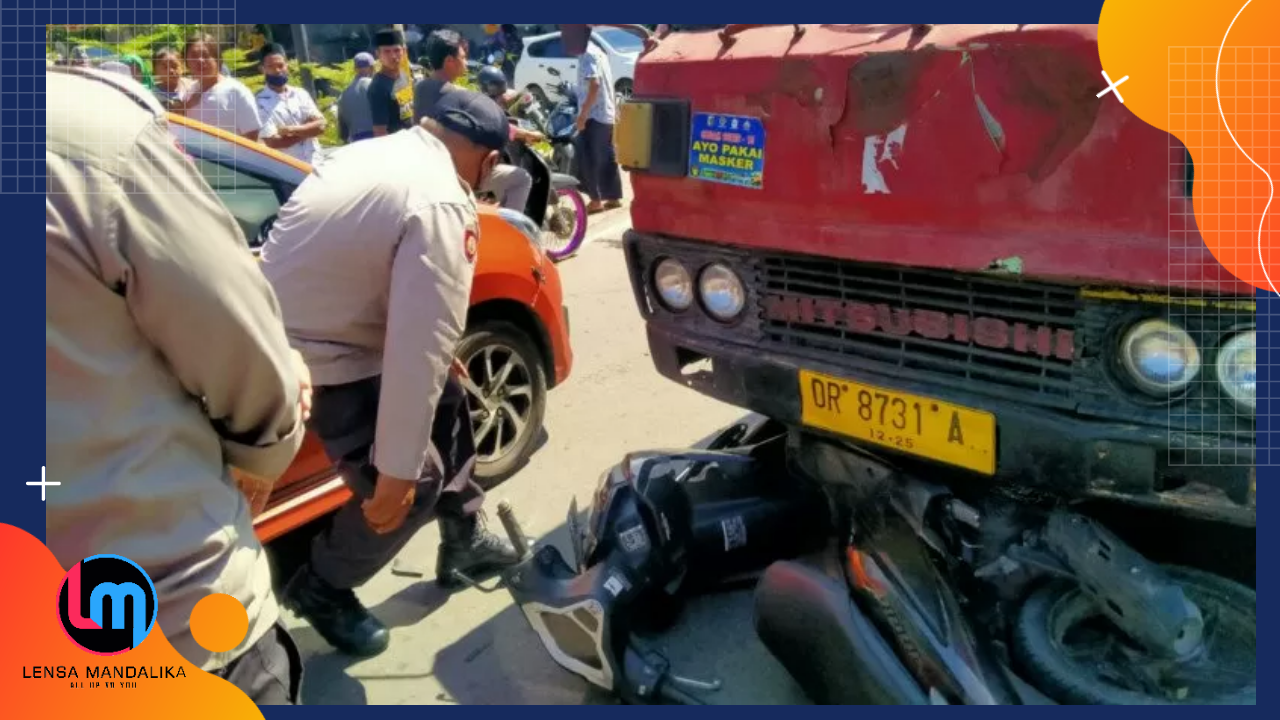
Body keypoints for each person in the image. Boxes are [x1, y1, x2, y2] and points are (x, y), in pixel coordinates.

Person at [47, 66, 311, 704]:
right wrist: (265, 452)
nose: (178, 69)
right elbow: (244, 354)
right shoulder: (87, 133)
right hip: (173, 623)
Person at [259, 88, 523, 659]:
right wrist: (398, 475)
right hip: (321, 359)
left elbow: (379, 277)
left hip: (321, 330)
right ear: (489, 160)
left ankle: (463, 538)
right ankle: (321, 586)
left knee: (450, 401)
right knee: (411, 479)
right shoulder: (442, 201)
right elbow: (419, 349)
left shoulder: (369, 153)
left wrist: (433, 356)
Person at [415, 29, 540, 213]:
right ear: (449, 61)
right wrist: (528, 134)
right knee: (521, 179)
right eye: (463, 57)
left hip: (429, 166)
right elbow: (494, 126)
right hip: (459, 172)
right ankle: (509, 235)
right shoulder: (455, 95)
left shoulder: (420, 88)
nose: (466, 61)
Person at [564, 25, 624, 214]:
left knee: (588, 157)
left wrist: (582, 115)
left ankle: (596, 200)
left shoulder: (587, 54)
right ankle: (613, 197)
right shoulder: (598, 51)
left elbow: (595, 84)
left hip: (593, 115)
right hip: (604, 113)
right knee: (606, 156)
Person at [180, 33, 261, 141]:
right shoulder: (188, 94)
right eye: (194, 56)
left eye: (205, 55)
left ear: (218, 59)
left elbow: (252, 135)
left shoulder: (236, 91)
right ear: (187, 63)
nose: (200, 61)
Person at [255, 44, 326, 165]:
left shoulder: (300, 94)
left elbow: (321, 126)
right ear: (262, 69)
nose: (277, 71)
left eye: (280, 65)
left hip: (316, 164)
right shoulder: (260, 103)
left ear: (286, 65)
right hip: (290, 172)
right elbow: (274, 142)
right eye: (271, 67)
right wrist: (308, 129)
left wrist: (293, 129)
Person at [368, 28, 413, 137]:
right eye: (387, 51)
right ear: (378, 54)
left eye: (397, 50)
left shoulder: (404, 76)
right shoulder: (378, 87)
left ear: (403, 51)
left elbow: (408, 112)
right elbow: (380, 131)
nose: (393, 56)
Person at [337, 52, 377, 144]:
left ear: (355, 69)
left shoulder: (344, 94)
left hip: (356, 142)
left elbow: (343, 132)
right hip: (378, 137)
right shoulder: (375, 86)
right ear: (372, 68)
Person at [151, 45, 195, 111]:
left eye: (175, 66)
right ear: (155, 71)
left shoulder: (192, 87)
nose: (171, 71)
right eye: (165, 67)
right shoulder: (152, 96)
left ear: (182, 67)